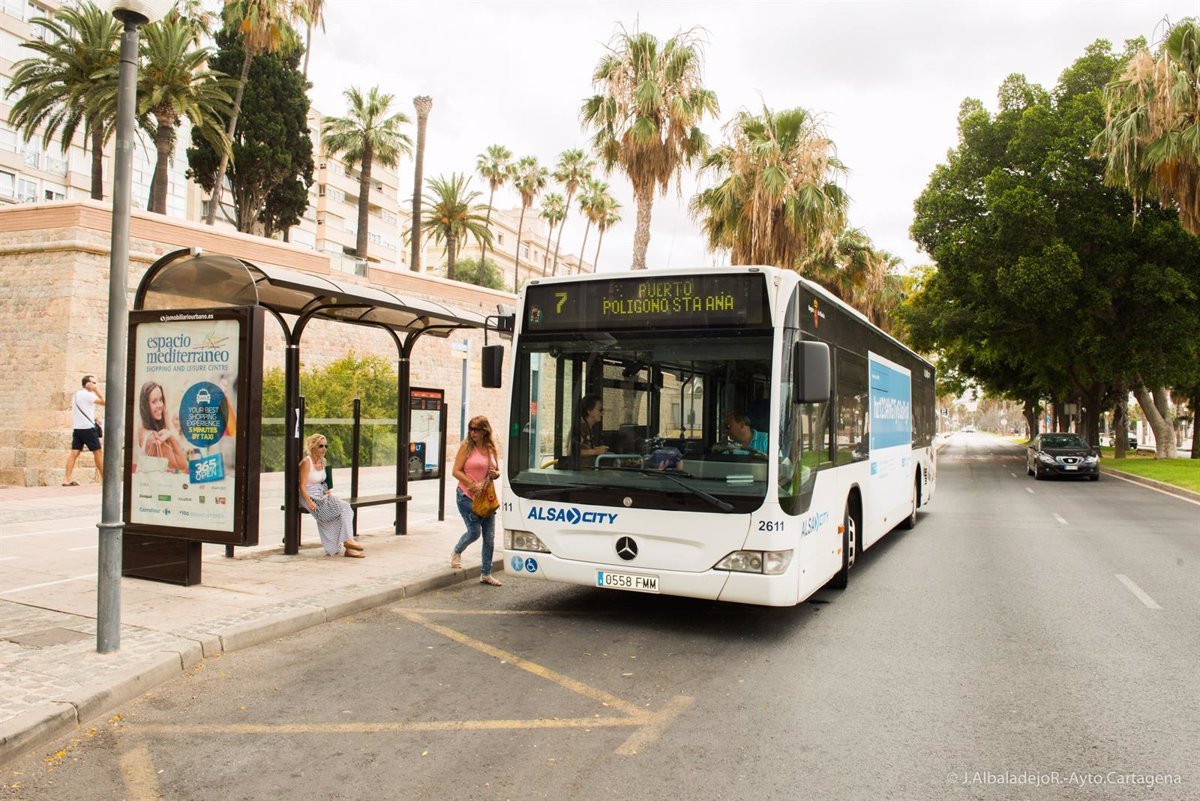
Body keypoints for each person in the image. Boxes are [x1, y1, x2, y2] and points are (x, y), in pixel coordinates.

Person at [451, 415, 503, 585]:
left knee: (489, 537)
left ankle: (486, 574)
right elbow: (456, 471)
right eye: (471, 429)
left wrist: (496, 474)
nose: (473, 432)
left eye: (476, 429)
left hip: (486, 498)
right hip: (466, 496)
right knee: (474, 532)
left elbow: (495, 470)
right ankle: (457, 551)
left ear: (484, 431)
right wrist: (472, 484)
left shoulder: (491, 448)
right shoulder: (466, 447)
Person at [299, 433, 363, 558]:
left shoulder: (323, 461)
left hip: (322, 495)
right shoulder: (306, 462)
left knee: (345, 509)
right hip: (309, 497)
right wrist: (309, 501)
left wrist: (327, 491)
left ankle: (348, 545)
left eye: (325, 446)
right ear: (313, 447)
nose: (324, 449)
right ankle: (348, 542)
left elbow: (323, 481)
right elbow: (302, 486)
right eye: (320, 446)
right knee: (343, 509)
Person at [136, 381, 189, 473]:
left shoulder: (142, 430)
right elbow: (182, 465)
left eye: (161, 400)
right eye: (154, 401)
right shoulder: (155, 438)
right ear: (145, 406)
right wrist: (171, 436)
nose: (160, 405)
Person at [64, 374, 104, 486]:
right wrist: (97, 391)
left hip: (78, 428)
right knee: (98, 452)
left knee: (74, 452)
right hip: (87, 428)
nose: (95, 385)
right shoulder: (87, 395)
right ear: (87, 384)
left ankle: (67, 479)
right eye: (93, 383)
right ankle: (104, 478)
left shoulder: (77, 394)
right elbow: (105, 402)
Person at [568, 394, 609, 468]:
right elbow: (573, 451)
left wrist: (596, 449)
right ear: (589, 411)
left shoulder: (587, 426)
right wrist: (596, 451)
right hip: (580, 472)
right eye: (600, 409)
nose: (602, 413)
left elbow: (583, 447)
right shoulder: (582, 427)